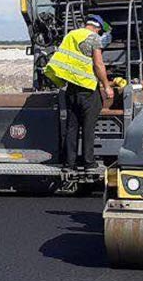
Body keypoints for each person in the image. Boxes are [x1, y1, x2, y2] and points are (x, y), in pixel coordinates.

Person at [44, 14, 115, 171]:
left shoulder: (71, 35)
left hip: (71, 88)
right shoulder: (93, 38)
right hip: (88, 89)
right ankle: (89, 162)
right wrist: (107, 86)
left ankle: (70, 164)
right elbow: (98, 64)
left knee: (72, 127)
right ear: (97, 28)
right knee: (88, 127)